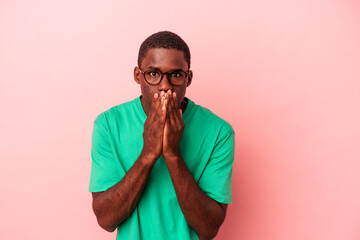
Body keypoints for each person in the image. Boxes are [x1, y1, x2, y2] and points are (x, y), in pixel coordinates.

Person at [89, 31, 235, 240]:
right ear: (138, 76)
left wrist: (172, 154)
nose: (165, 86)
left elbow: (208, 229)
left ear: (189, 78)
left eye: (176, 75)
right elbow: (106, 220)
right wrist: (149, 153)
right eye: (153, 74)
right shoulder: (109, 124)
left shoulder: (219, 132)